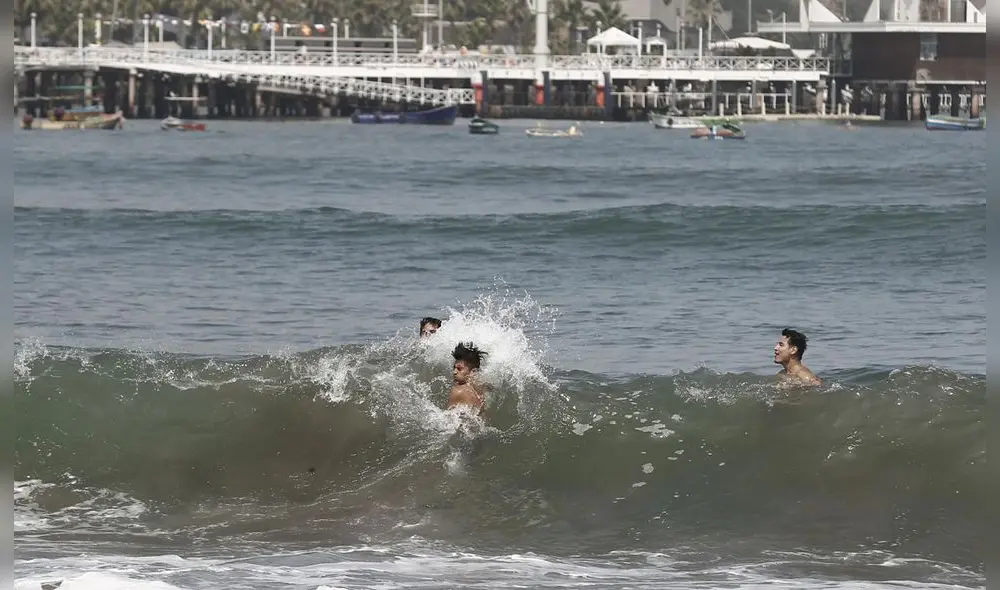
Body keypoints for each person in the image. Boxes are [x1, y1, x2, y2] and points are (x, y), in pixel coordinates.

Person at [447, 342, 487, 414]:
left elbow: (447, 421)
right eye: (454, 368)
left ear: (473, 372)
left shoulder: (457, 391)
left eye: (459, 368)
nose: (454, 372)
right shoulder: (480, 389)